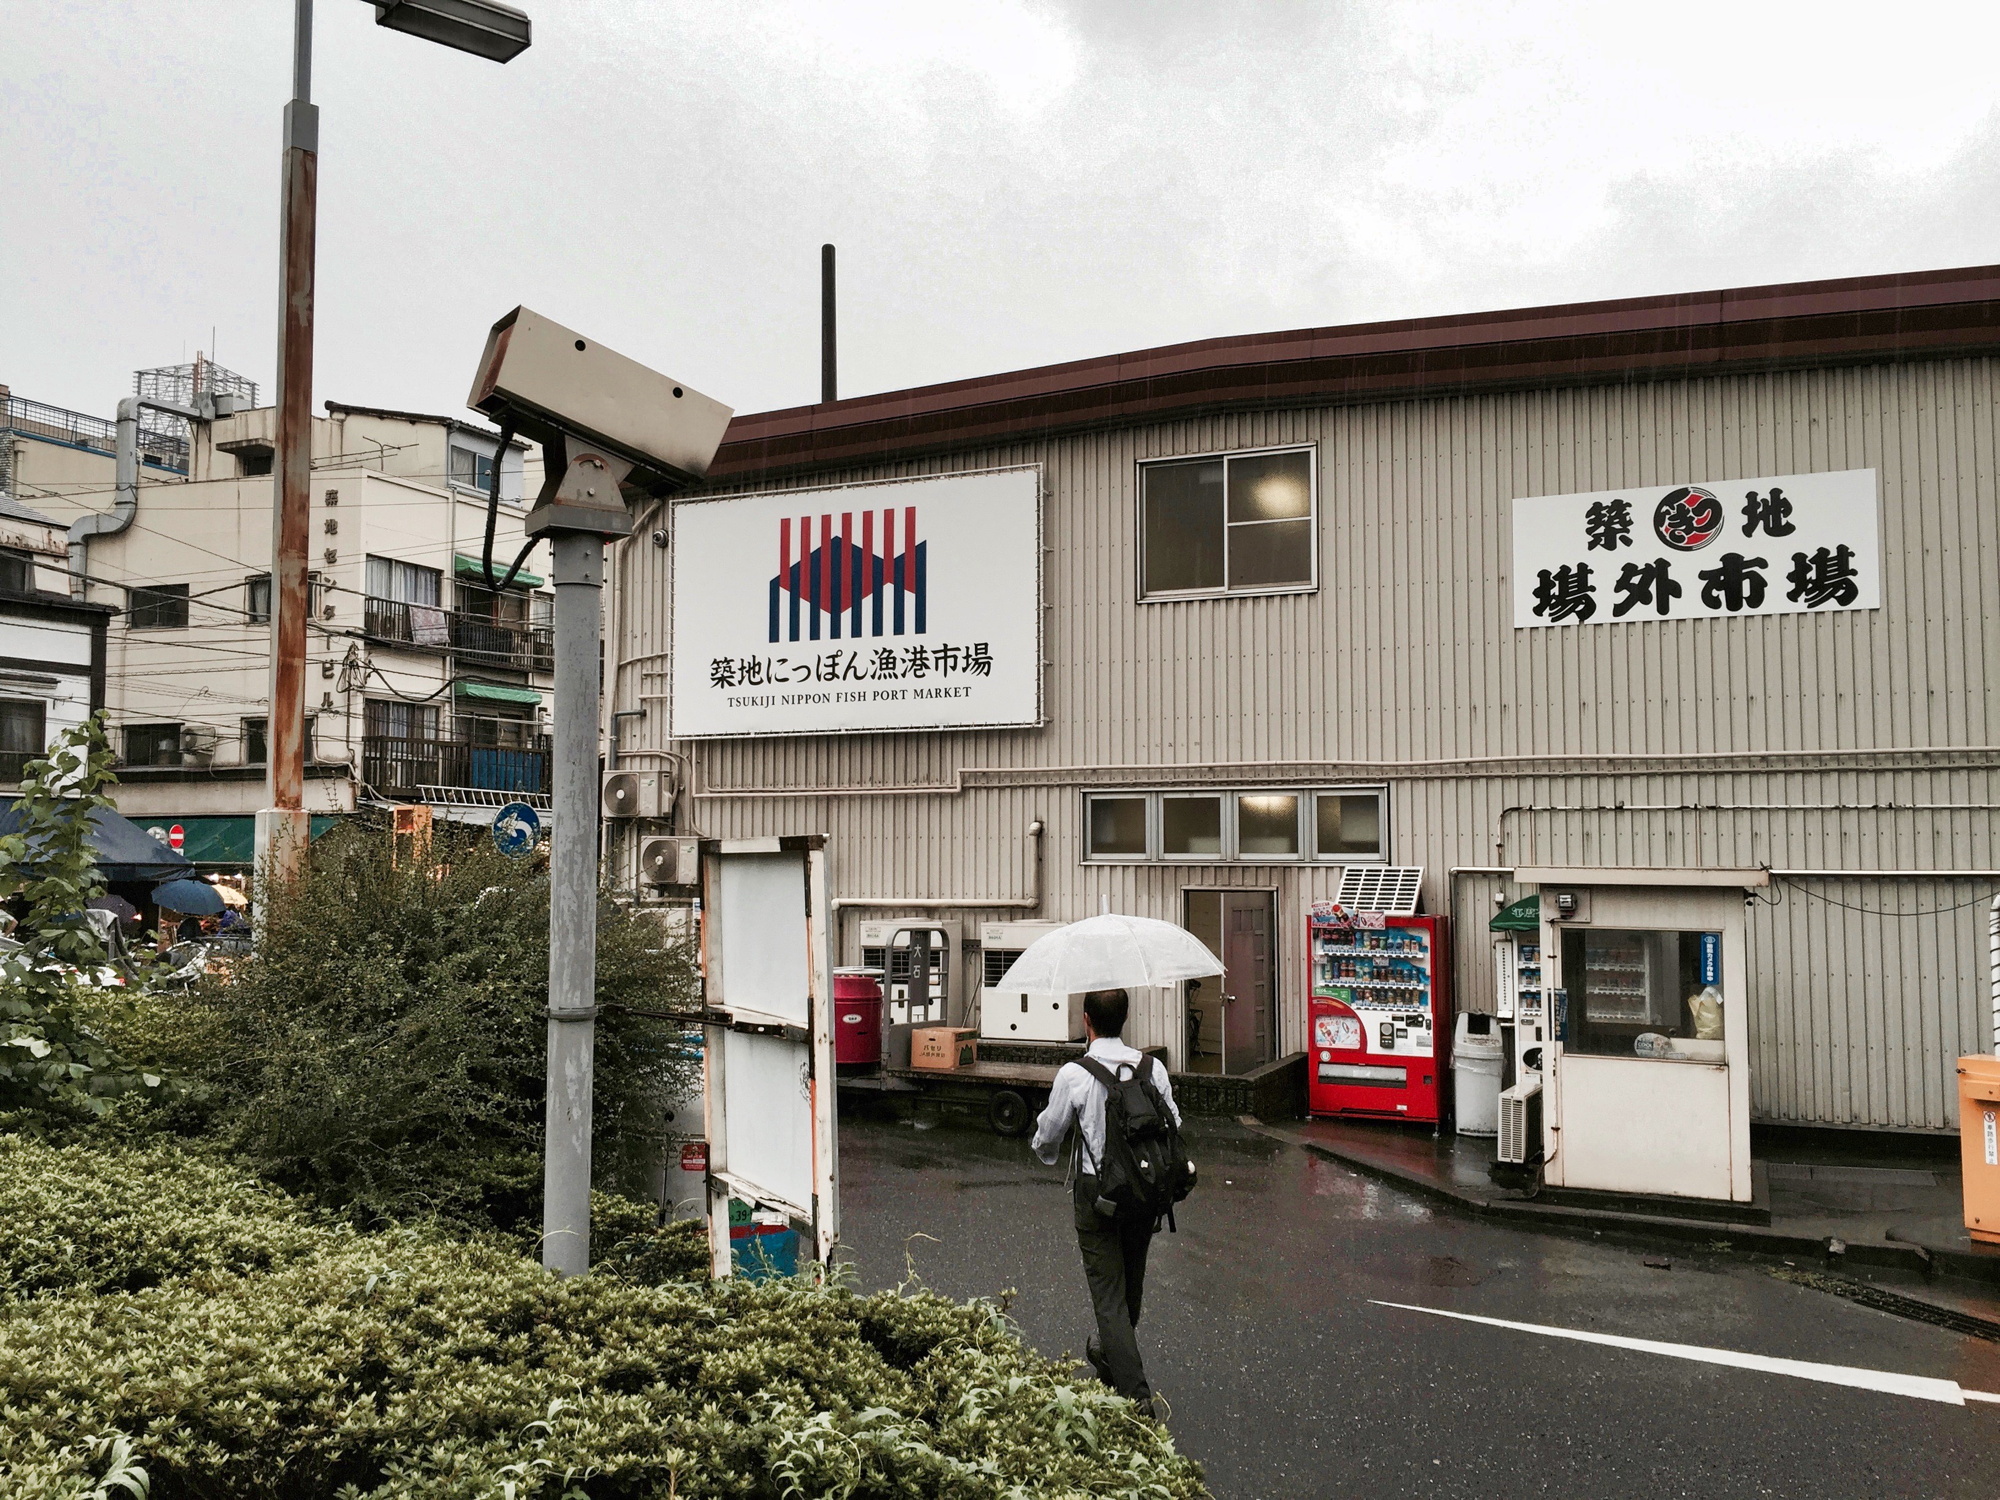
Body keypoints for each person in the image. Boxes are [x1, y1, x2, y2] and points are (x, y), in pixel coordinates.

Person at [1029, 988, 1180, 1418]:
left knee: (1109, 1297)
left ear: (1086, 1020)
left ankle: (1137, 1399)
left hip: (1097, 1195)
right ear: (1125, 1019)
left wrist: (1047, 1150)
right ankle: (1113, 1354)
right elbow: (1175, 1123)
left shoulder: (1075, 1074)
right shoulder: (1152, 1068)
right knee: (1130, 1285)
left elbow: (1050, 1133)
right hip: (1146, 1192)